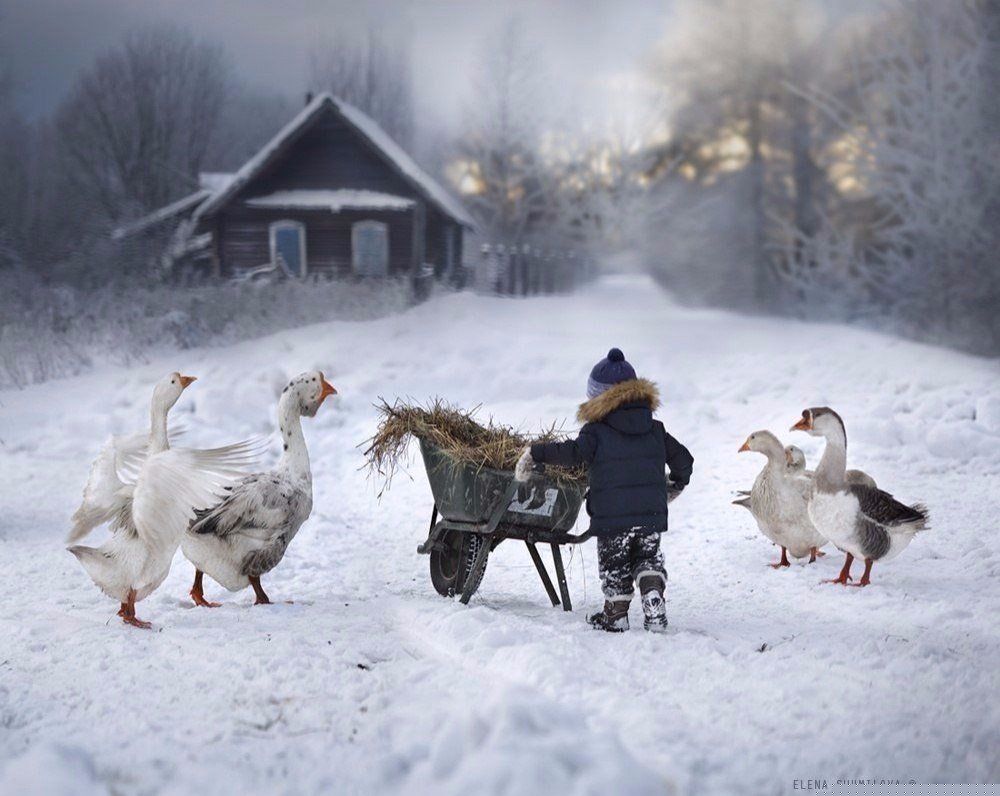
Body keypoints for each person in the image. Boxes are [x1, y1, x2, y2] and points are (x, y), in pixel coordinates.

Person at [515, 348, 693, 633]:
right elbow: (684, 460)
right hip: (650, 515)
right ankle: (652, 592)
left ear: (599, 398)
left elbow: (572, 453)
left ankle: (616, 616)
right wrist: (675, 484)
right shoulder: (655, 429)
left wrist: (536, 452)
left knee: (616, 566)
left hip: (612, 519)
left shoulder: (595, 432)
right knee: (648, 558)